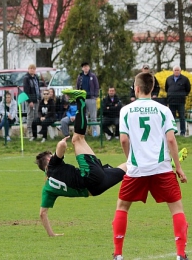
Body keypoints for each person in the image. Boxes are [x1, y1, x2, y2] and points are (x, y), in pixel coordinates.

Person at [112, 72, 189, 260]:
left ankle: (118, 254)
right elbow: (171, 139)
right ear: (153, 88)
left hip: (136, 169)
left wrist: (130, 160)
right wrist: (178, 167)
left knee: (122, 207)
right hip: (161, 169)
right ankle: (180, 254)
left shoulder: (126, 110)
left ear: (136, 88)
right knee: (177, 209)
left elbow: (123, 140)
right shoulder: (163, 110)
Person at [35, 89, 126, 236]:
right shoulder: (52, 165)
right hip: (90, 176)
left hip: (95, 189)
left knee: (127, 167)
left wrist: (51, 234)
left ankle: (146, 160)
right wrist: (62, 141)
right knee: (77, 139)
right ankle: (81, 99)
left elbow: (42, 213)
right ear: (48, 159)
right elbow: (61, 147)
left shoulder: (47, 189)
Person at [165, 65, 191, 136]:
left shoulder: (185, 79)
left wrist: (182, 95)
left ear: (180, 71)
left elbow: (188, 89)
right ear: (173, 71)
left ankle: (182, 132)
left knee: (182, 117)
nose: (176, 71)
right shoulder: (169, 79)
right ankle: (172, 132)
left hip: (181, 101)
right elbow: (166, 88)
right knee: (172, 117)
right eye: (175, 70)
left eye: (178, 70)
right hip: (171, 101)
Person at [76, 62, 99, 137]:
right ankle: (84, 132)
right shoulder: (80, 77)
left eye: (87, 66)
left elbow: (96, 86)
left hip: (91, 99)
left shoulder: (93, 76)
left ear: (89, 67)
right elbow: (78, 87)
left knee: (93, 116)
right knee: (84, 116)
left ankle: (94, 132)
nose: (86, 68)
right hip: (83, 99)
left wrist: (95, 96)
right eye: (84, 67)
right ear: (82, 68)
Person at [23, 64, 41, 137]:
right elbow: (26, 91)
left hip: (37, 98)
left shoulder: (36, 77)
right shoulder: (26, 78)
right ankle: (30, 131)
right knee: (30, 115)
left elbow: (38, 88)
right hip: (30, 100)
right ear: (28, 69)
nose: (32, 70)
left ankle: (35, 132)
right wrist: (29, 101)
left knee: (36, 115)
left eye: (33, 68)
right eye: (31, 68)